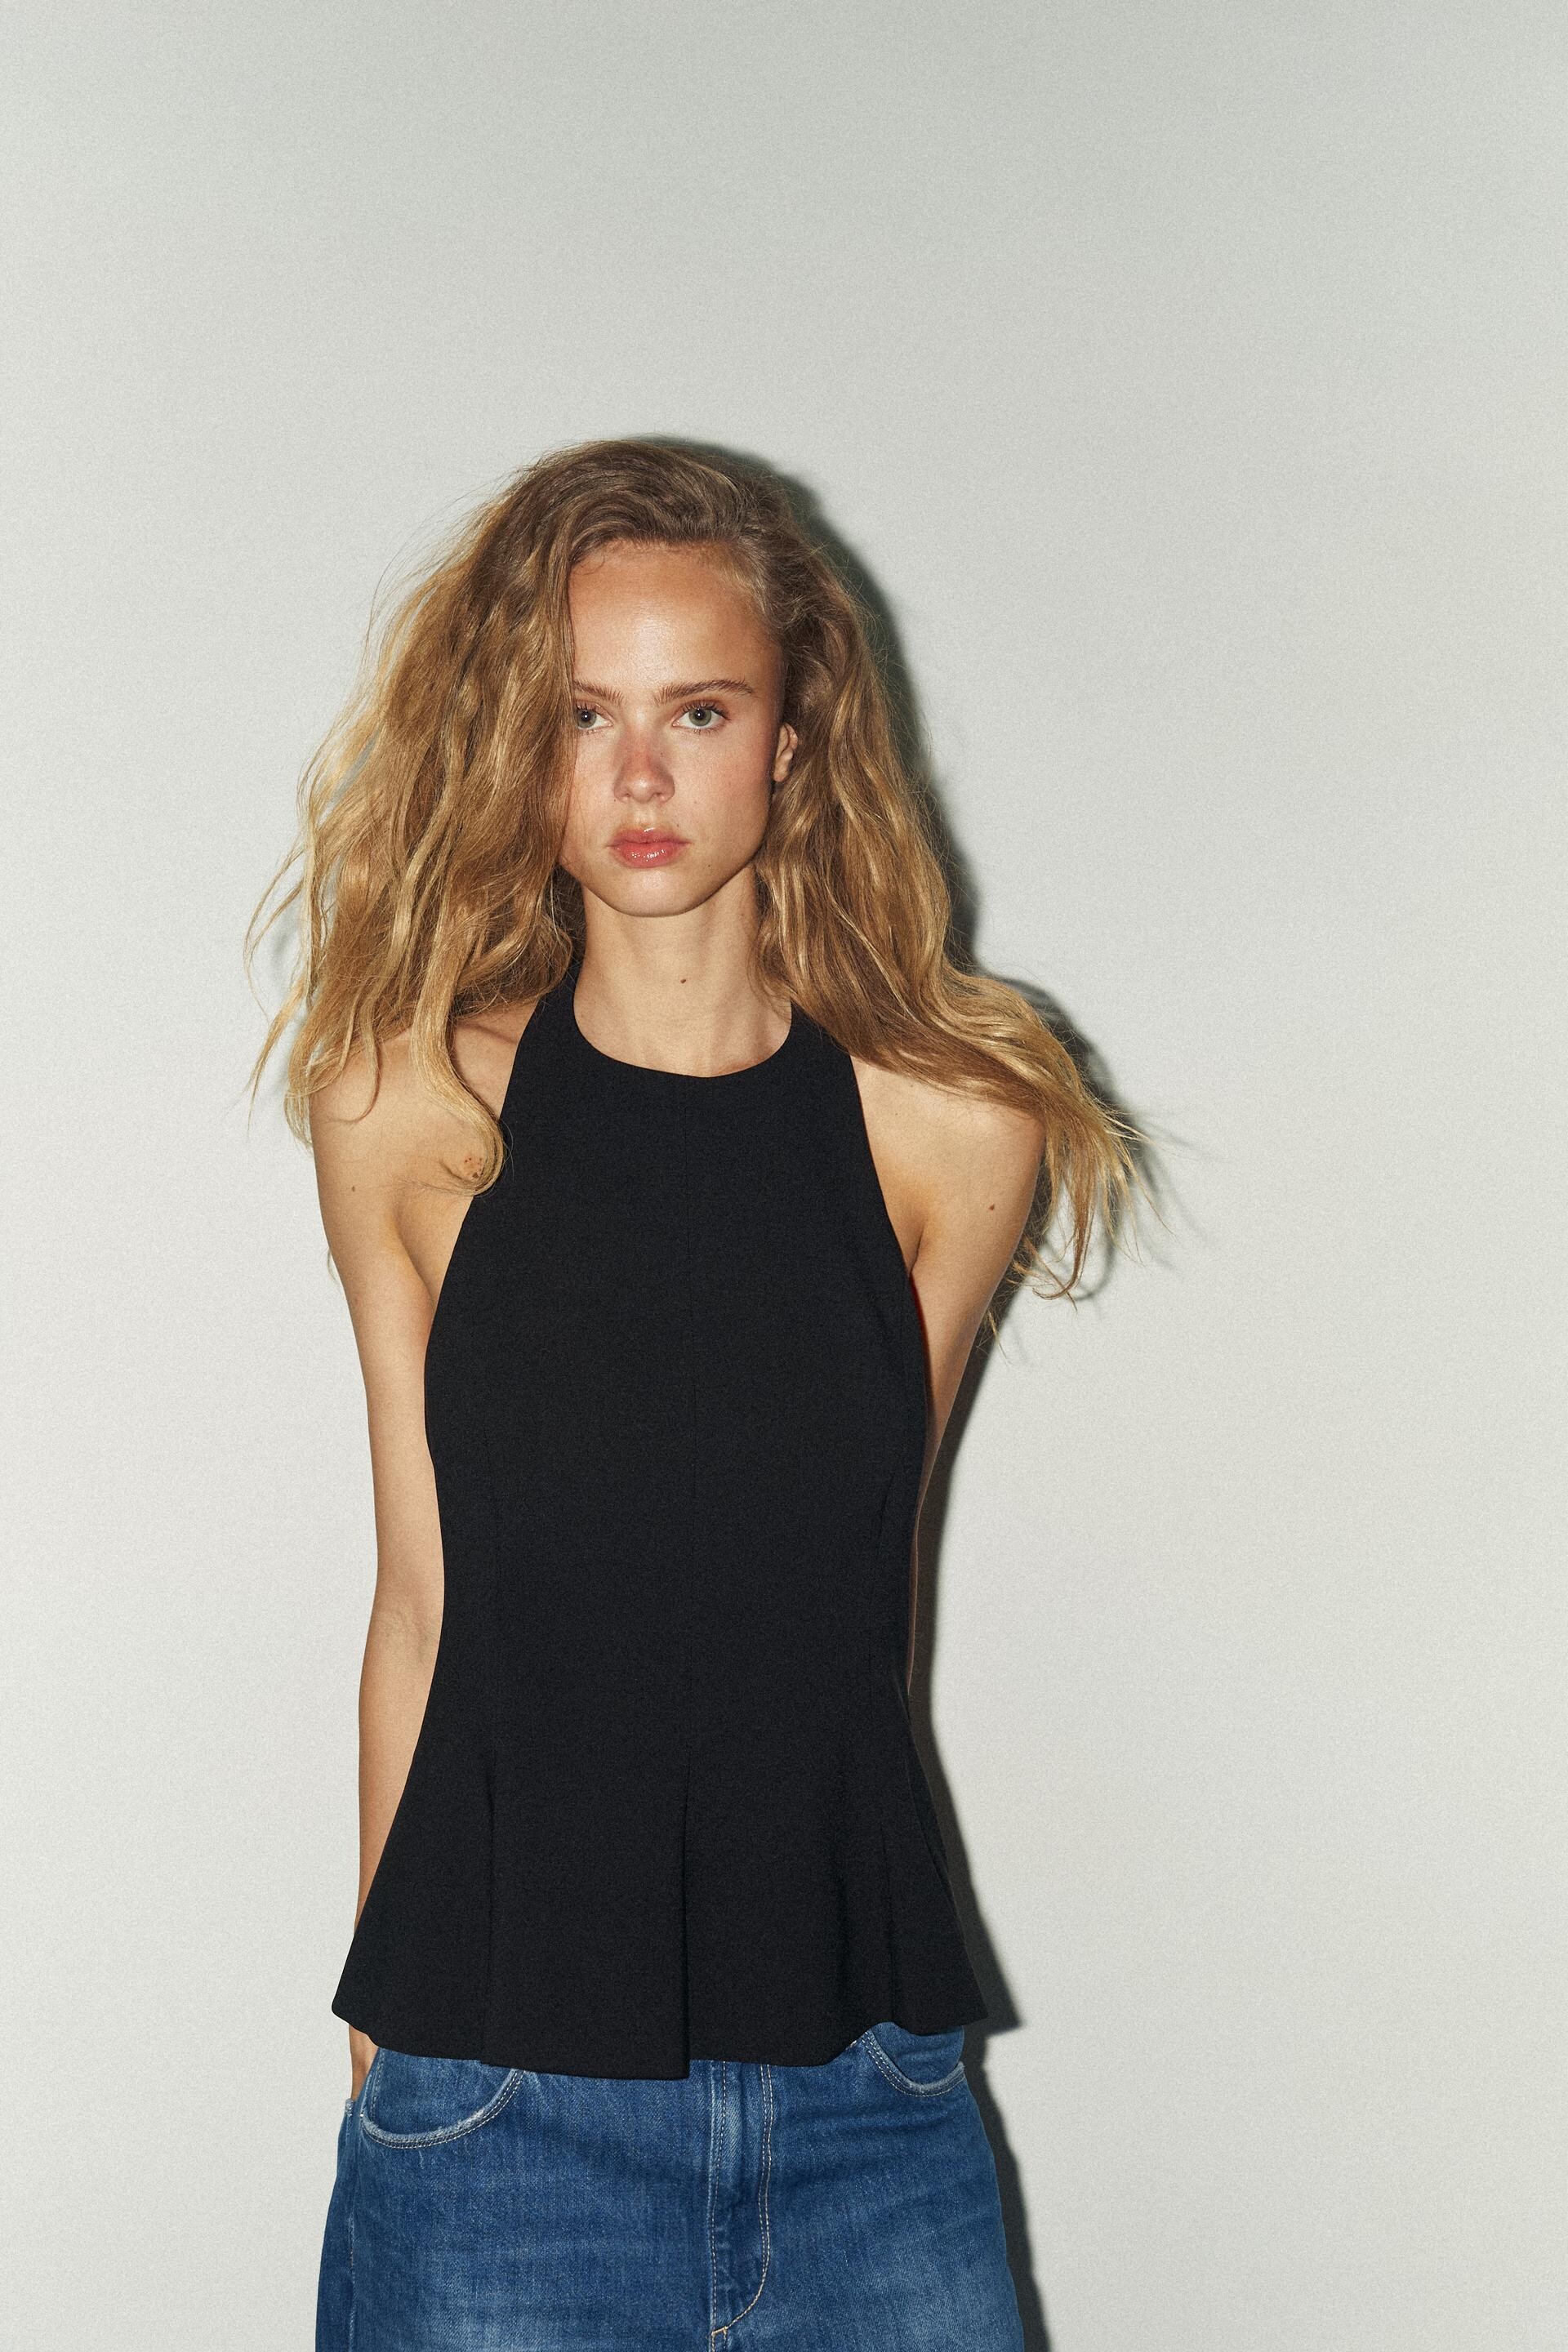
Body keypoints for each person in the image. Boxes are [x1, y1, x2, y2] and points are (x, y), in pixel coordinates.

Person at [247, 439, 1137, 2350]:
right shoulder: (413, 1107)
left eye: (699, 711)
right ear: (519, 748)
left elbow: (861, 1602)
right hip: (495, 2107)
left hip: (866, 2101)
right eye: (584, 716)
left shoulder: (954, 1125)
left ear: (794, 743)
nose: (639, 778)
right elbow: (421, 1601)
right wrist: (386, 2044)